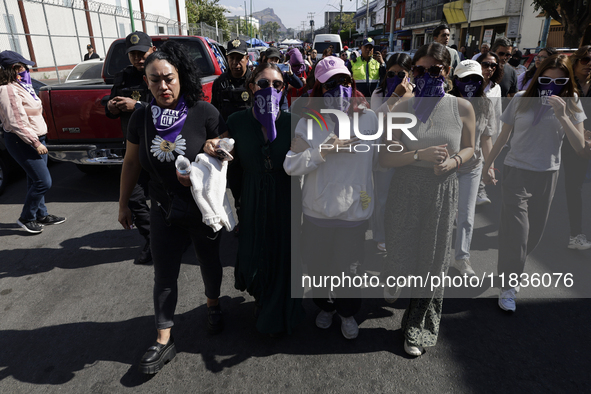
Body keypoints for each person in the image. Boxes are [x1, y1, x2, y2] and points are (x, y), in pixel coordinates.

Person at [119, 41, 227, 374]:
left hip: (201, 208)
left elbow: (226, 153)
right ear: (146, 82)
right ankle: (164, 339)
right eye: (154, 80)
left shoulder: (204, 112)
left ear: (181, 76)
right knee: (164, 273)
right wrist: (123, 203)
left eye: (168, 78)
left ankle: (213, 305)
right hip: (162, 207)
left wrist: (214, 149)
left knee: (209, 261)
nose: (163, 86)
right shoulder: (142, 116)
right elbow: (132, 162)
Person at [379, 42, 475, 356]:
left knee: (433, 261)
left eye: (434, 69)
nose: (425, 75)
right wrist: (418, 153)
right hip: (406, 186)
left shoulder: (462, 107)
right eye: (419, 69)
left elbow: (470, 148)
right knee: (400, 249)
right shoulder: (404, 107)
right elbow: (385, 158)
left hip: (442, 189)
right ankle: (394, 277)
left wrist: (455, 162)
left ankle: (416, 327)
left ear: (447, 72)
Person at [207, 63, 306, 335]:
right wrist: (212, 145)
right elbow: (223, 148)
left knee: (282, 251)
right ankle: (261, 297)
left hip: (285, 194)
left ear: (284, 90)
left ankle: (277, 310)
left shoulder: (293, 122)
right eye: (263, 84)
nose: (270, 89)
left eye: (277, 85)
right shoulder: (238, 121)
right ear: (252, 87)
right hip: (250, 196)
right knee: (255, 250)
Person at [482, 54, 586, 312]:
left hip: (548, 174)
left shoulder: (571, 103)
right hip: (516, 172)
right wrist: (487, 166)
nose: (551, 85)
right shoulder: (519, 100)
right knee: (518, 232)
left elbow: (580, 147)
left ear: (566, 82)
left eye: (559, 81)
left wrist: (563, 115)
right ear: (537, 77)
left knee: (534, 235)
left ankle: (510, 267)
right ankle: (508, 285)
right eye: (545, 79)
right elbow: (502, 137)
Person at [285, 56, 379, 340]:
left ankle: (347, 312)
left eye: (344, 82)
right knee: (319, 266)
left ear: (352, 84)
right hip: (317, 213)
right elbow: (291, 165)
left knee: (349, 270)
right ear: (318, 89)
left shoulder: (368, 117)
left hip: (353, 214)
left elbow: (372, 155)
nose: (338, 90)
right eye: (330, 85)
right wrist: (324, 150)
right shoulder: (308, 122)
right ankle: (325, 306)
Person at [0, 50, 66, 234]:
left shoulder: (21, 86)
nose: (27, 69)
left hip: (35, 138)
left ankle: (40, 215)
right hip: (23, 141)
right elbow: (16, 122)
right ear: (14, 68)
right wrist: (35, 142)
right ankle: (26, 217)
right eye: (23, 66)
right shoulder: (8, 89)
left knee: (34, 179)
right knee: (43, 182)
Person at [106, 31, 156, 265]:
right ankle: (152, 240)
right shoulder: (123, 77)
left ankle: (172, 236)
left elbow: (169, 108)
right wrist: (112, 107)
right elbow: (110, 110)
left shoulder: (160, 74)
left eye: (141, 53)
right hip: (134, 148)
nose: (137, 58)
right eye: (133, 54)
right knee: (133, 197)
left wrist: (137, 105)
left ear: (152, 50)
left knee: (163, 197)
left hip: (159, 147)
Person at [448, 60, 496, 276]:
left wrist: (490, 166)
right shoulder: (445, 102)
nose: (470, 83)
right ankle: (437, 259)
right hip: (445, 167)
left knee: (467, 216)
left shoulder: (485, 105)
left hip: (472, 167)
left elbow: (487, 138)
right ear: (455, 81)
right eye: (465, 79)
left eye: (475, 79)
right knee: (444, 216)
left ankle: (462, 258)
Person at [369, 53, 414, 253]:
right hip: (383, 154)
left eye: (401, 73)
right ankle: (381, 235)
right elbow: (373, 122)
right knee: (383, 197)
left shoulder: (417, 94)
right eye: (391, 73)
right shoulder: (379, 93)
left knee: (405, 197)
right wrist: (394, 96)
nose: (395, 76)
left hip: (408, 152)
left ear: (409, 74)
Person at [210, 38, 251, 228]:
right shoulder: (220, 83)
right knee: (236, 188)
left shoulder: (255, 81)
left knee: (255, 188)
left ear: (247, 58)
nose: (235, 63)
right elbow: (214, 116)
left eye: (239, 58)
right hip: (231, 148)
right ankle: (243, 223)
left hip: (253, 145)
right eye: (231, 58)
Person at [562, 46, 591, 249]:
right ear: (576, 61)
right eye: (586, 60)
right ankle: (576, 234)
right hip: (568, 140)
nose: (589, 64)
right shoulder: (566, 84)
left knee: (577, 187)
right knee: (571, 187)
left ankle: (577, 234)